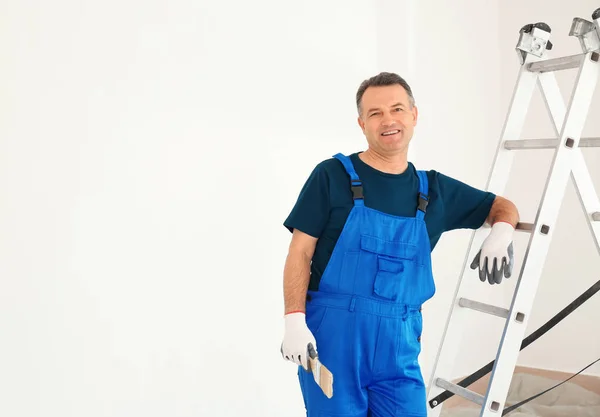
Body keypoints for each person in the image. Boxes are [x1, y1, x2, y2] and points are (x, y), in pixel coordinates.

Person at [280, 72, 519, 417]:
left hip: (400, 344)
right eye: (375, 113)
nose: (388, 120)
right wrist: (293, 321)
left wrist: (502, 230)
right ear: (362, 123)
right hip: (333, 339)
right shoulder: (331, 175)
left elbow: (503, 206)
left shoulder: (434, 190)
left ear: (414, 115)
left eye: (397, 109)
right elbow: (299, 252)